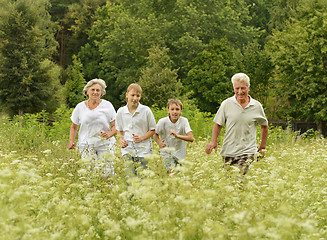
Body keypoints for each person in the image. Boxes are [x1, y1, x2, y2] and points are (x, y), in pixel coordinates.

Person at [205, 73, 268, 175]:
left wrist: (262, 146)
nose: (239, 92)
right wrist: (213, 142)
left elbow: (264, 126)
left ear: (248, 88)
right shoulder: (226, 104)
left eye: (243, 88)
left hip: (248, 150)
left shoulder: (256, 106)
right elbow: (218, 124)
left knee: (240, 178)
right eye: (236, 88)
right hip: (229, 150)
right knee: (229, 182)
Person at [68, 79, 117, 174]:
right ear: (87, 91)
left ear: (101, 93)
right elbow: (74, 126)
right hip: (86, 144)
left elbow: (115, 125)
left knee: (107, 172)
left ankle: (108, 188)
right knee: (89, 173)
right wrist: (71, 141)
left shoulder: (107, 105)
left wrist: (109, 134)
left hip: (105, 144)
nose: (95, 92)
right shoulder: (80, 107)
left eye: (98, 90)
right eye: (92, 90)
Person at [116, 83, 156, 179]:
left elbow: (153, 130)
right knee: (130, 177)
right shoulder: (121, 111)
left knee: (141, 178)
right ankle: (130, 194)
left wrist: (141, 138)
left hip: (143, 150)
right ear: (127, 95)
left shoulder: (146, 110)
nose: (135, 98)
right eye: (132, 95)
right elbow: (119, 130)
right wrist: (121, 140)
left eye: (138, 96)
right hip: (127, 149)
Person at [154, 99, 194, 173]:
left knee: (179, 176)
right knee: (172, 174)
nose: (175, 112)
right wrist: (159, 142)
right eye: (172, 109)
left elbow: (191, 138)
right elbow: (155, 134)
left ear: (181, 111)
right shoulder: (162, 122)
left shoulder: (184, 121)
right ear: (168, 110)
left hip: (180, 153)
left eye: (177, 109)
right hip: (167, 152)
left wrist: (177, 136)